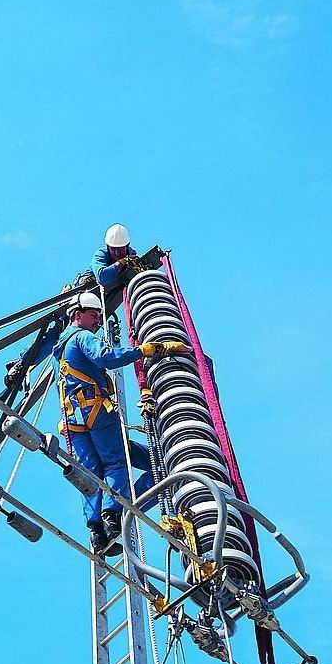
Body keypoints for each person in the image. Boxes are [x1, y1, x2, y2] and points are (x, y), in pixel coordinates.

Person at [53, 291, 191, 557]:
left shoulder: (59, 350)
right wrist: (145, 350)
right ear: (77, 315)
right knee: (117, 464)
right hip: (96, 413)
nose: (98, 322)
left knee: (91, 475)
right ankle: (114, 514)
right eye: (93, 316)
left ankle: (97, 531)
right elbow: (106, 357)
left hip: (74, 423)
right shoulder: (82, 337)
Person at [93, 223, 139, 289]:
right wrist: (122, 261)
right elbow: (102, 278)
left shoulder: (132, 255)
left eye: (120, 248)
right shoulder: (100, 254)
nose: (117, 253)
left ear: (127, 246)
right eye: (113, 248)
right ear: (108, 247)